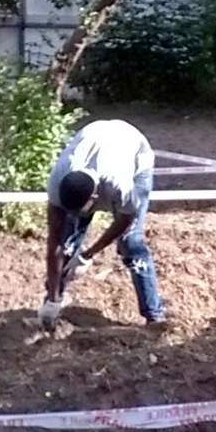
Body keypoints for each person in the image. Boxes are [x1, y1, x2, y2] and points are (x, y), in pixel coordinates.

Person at [40, 120, 166, 330]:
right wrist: (52, 298)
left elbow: (125, 220)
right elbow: (55, 242)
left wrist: (88, 254)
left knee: (130, 243)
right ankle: (53, 302)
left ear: (95, 197)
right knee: (68, 242)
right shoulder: (57, 182)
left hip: (133, 150)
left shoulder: (120, 185)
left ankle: (154, 315)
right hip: (94, 134)